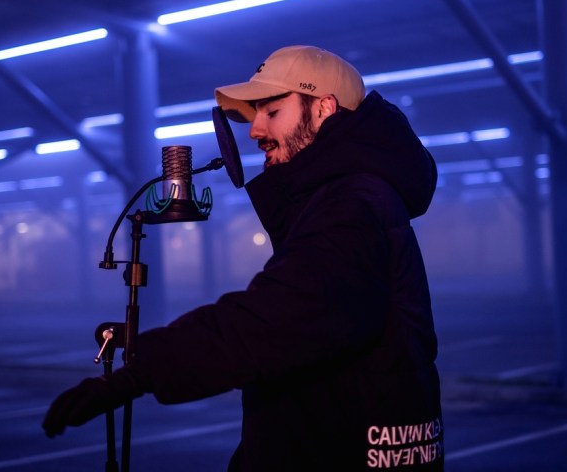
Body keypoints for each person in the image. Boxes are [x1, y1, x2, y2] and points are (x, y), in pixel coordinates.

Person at [43, 45, 443, 470]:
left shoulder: (351, 203)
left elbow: (279, 316)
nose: (255, 131)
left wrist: (145, 370)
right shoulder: (345, 197)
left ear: (324, 108)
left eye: (272, 111)